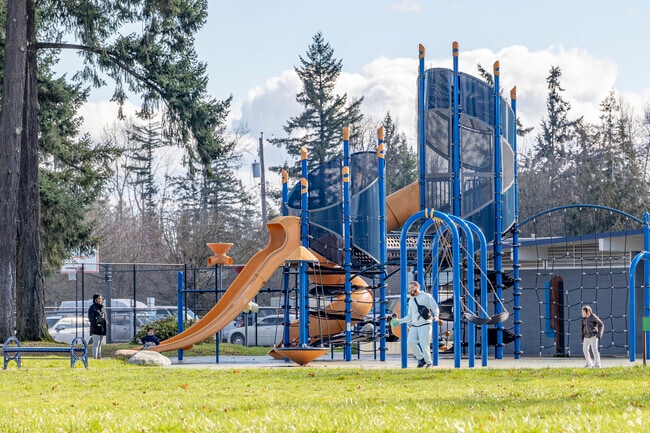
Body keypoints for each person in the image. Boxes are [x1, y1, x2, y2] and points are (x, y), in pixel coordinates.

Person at [392, 281, 439, 368]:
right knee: (410, 341)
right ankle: (421, 359)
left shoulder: (426, 296)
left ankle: (429, 363)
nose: (411, 290)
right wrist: (399, 321)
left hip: (425, 325)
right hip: (414, 325)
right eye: (409, 288)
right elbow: (410, 316)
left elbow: (434, 306)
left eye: (412, 288)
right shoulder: (411, 300)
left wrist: (436, 315)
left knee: (424, 344)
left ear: (417, 287)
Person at [88, 294, 108, 359]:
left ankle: (99, 357)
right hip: (95, 328)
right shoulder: (92, 307)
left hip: (102, 328)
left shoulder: (102, 307)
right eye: (99, 299)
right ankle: (95, 358)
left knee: (100, 344)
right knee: (96, 343)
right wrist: (96, 322)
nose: (100, 300)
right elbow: (91, 318)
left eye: (101, 299)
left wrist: (106, 323)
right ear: (95, 299)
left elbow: (105, 317)